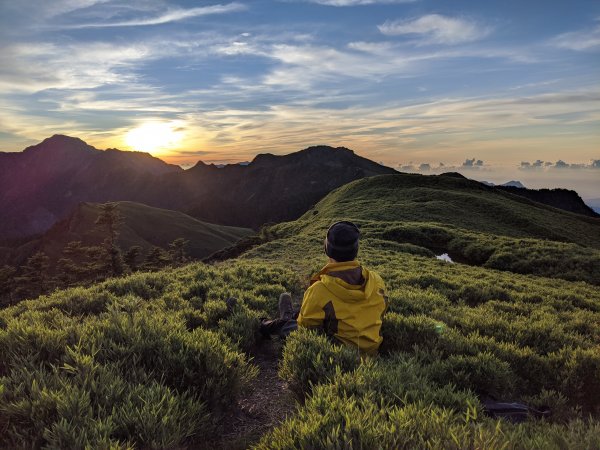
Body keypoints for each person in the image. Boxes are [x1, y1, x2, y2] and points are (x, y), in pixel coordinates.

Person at [259, 221, 388, 355]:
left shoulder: (320, 290)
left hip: (337, 357)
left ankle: (265, 324)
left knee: (291, 326)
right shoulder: (376, 280)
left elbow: (305, 329)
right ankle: (288, 316)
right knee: (306, 314)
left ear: (327, 249)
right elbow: (381, 312)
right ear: (356, 249)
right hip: (371, 354)